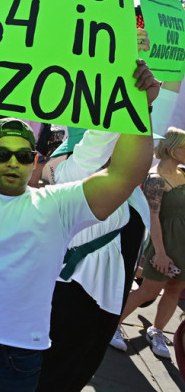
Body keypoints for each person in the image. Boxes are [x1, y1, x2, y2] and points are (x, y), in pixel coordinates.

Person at [0, 41, 155, 391]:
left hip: (16, 359)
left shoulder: (58, 205)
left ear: (35, 161)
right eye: (2, 153)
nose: (13, 162)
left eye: (24, 156)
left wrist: (138, 107)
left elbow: (123, 176)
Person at [36, 127, 149, 392]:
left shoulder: (134, 193)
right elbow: (98, 142)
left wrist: (145, 108)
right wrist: (125, 98)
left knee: (78, 371)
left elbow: (139, 161)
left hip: (106, 299)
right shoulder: (75, 172)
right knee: (51, 375)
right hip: (73, 293)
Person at [112, 127, 185, 359]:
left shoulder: (184, 174)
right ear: (172, 148)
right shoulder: (155, 179)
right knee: (149, 290)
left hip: (183, 243)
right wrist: (160, 253)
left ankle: (157, 331)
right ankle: (112, 326)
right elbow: (153, 217)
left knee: (174, 289)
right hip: (163, 242)